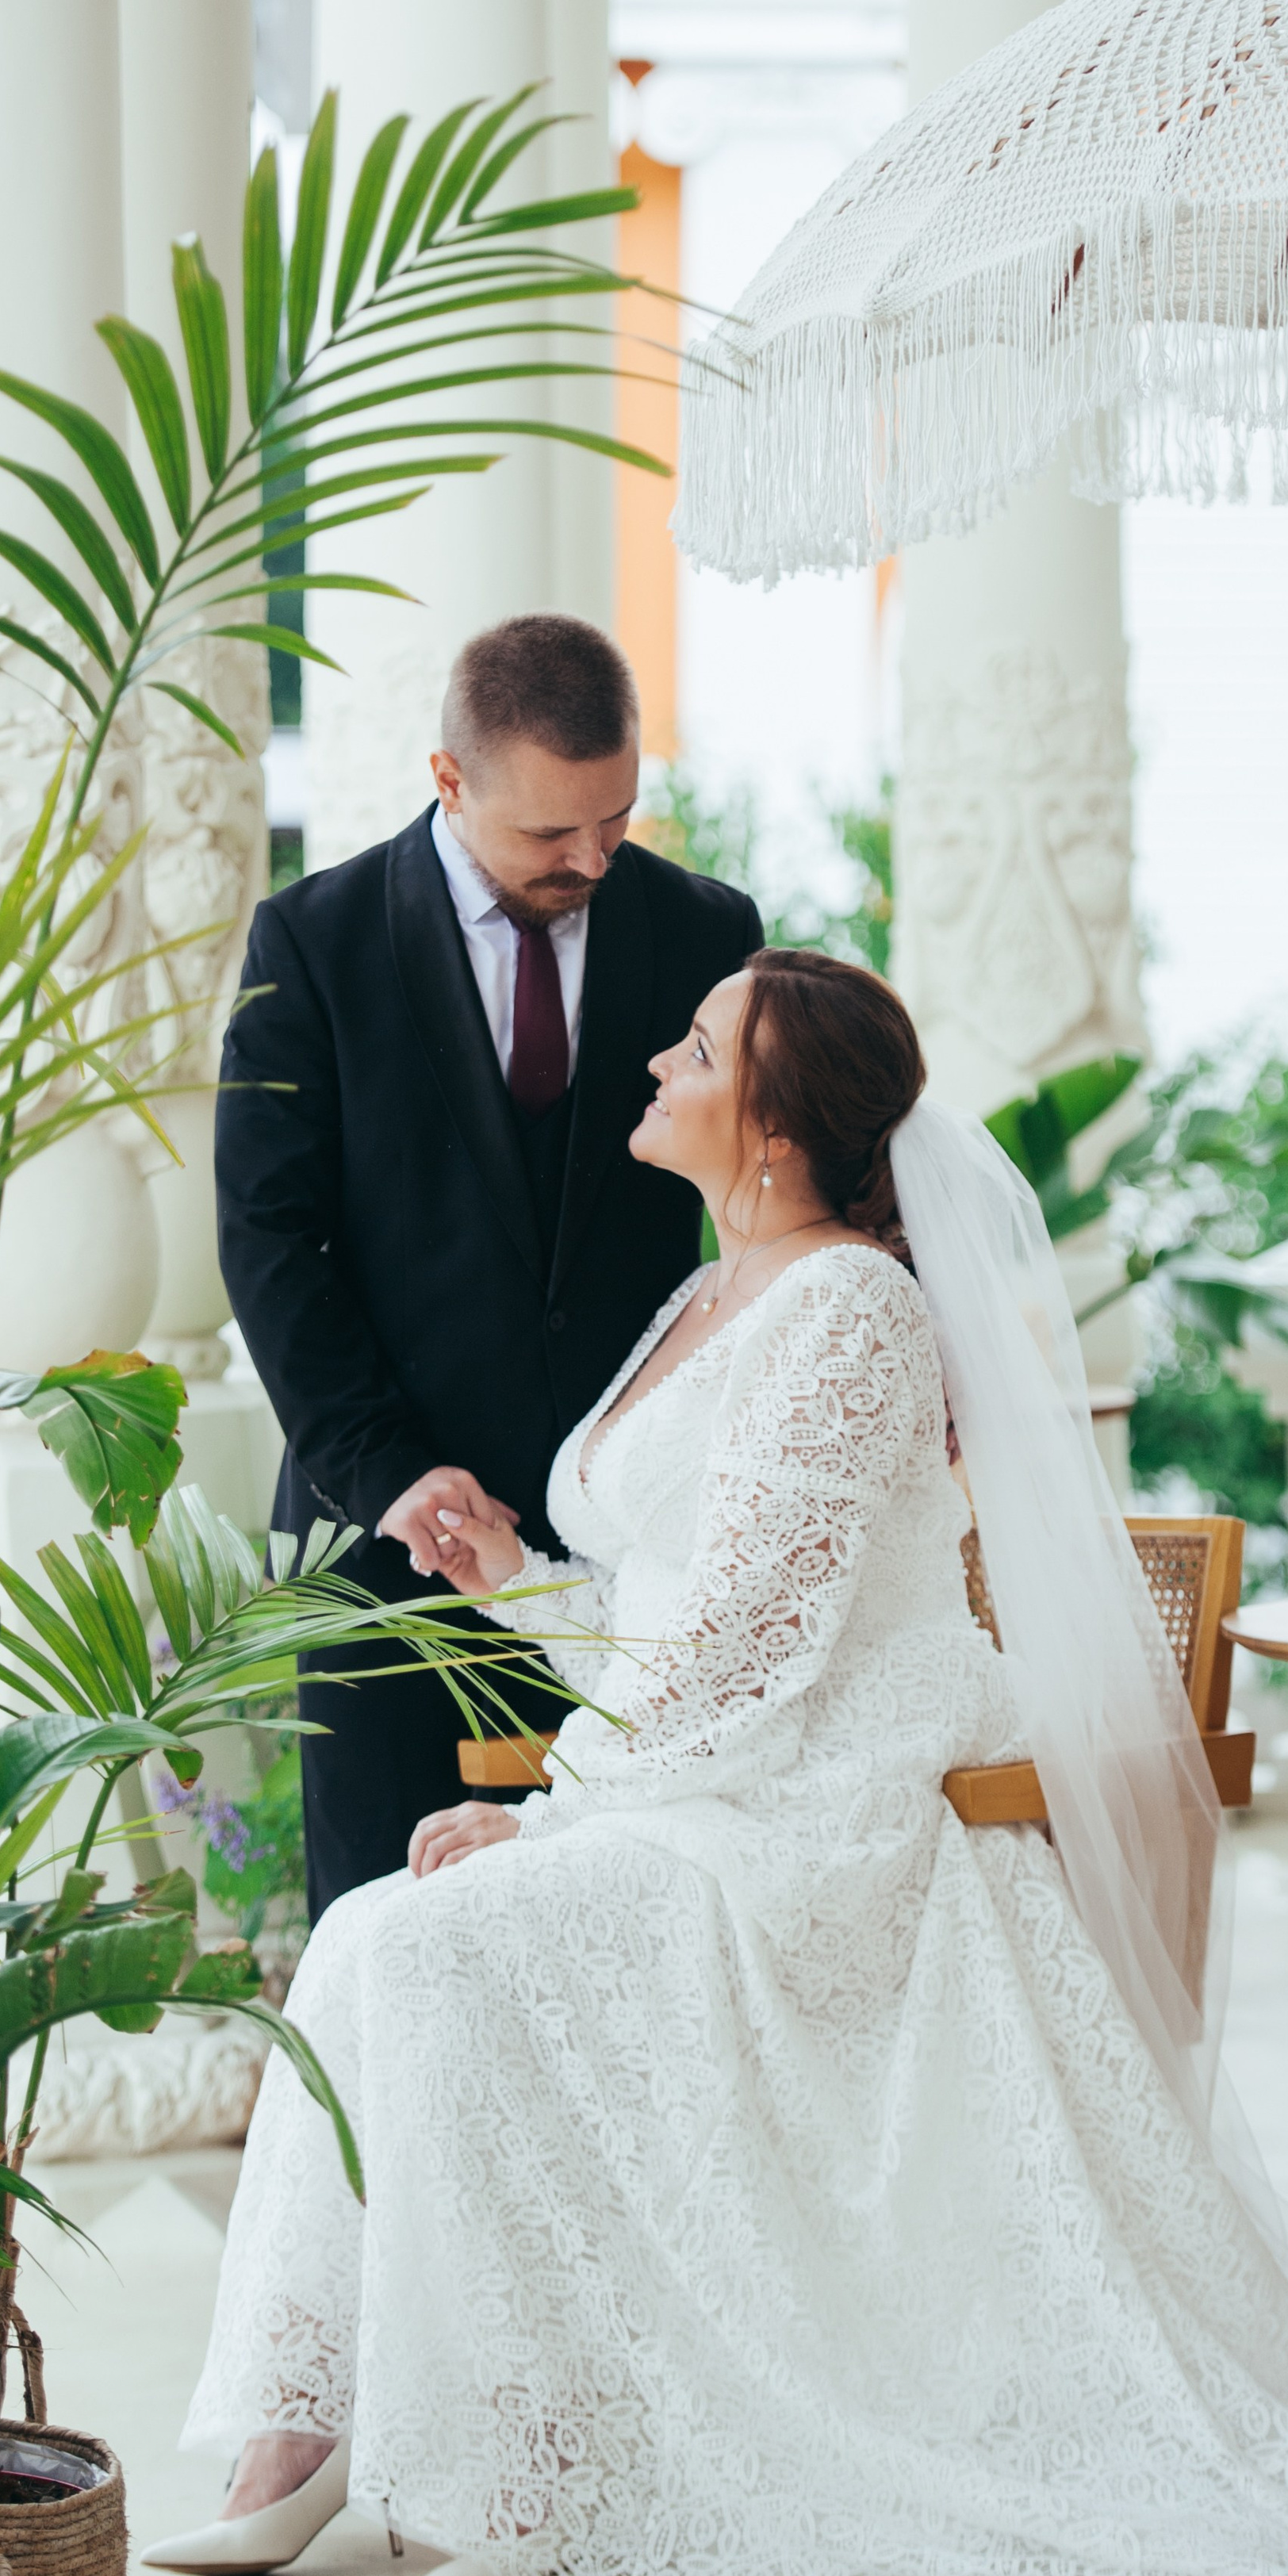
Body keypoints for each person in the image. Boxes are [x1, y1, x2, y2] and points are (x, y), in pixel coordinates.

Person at [152, 950, 1288, 2576]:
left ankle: (533, 2467)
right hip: (698, 1774)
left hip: (815, 1817)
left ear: (768, 1123)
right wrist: (512, 1575)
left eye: (694, 1050)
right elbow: (677, 1617)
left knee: (442, 1944)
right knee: (378, 1929)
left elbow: (765, 1646)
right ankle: (312, 2433)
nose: (658, 1065)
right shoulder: (706, 1296)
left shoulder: (852, 1310)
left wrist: (546, 1817)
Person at [214, 613, 758, 1920]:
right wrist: (387, 1471)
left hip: (629, 1554)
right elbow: (268, 1238)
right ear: (450, 779)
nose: (593, 858)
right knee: (392, 1936)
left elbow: (761, 1200)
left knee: (617, 1948)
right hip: (388, 1551)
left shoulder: (707, 931)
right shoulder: (313, 942)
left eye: (617, 819)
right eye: (550, 835)